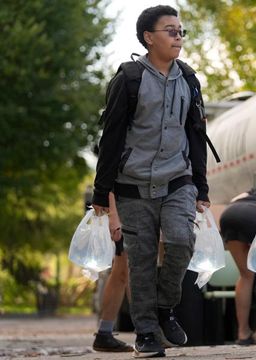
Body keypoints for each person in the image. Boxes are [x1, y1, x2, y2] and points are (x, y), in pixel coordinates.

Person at [91, 5, 210, 358]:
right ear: (148, 37)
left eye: (180, 31)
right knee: (139, 261)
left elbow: (197, 135)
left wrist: (201, 186)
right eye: (170, 31)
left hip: (178, 179)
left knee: (180, 241)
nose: (178, 37)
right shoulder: (128, 78)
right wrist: (102, 192)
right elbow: (111, 137)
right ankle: (145, 332)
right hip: (132, 184)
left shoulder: (189, 79)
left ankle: (163, 308)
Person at [220, 187, 256, 345]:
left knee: (245, 275)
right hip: (255, 216)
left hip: (230, 214)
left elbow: (237, 198)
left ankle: (243, 333)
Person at [92, 193, 133, 353]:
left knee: (122, 270)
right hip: (125, 208)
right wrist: (113, 215)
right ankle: (147, 331)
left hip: (131, 206)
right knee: (127, 269)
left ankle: (104, 333)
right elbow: (109, 171)